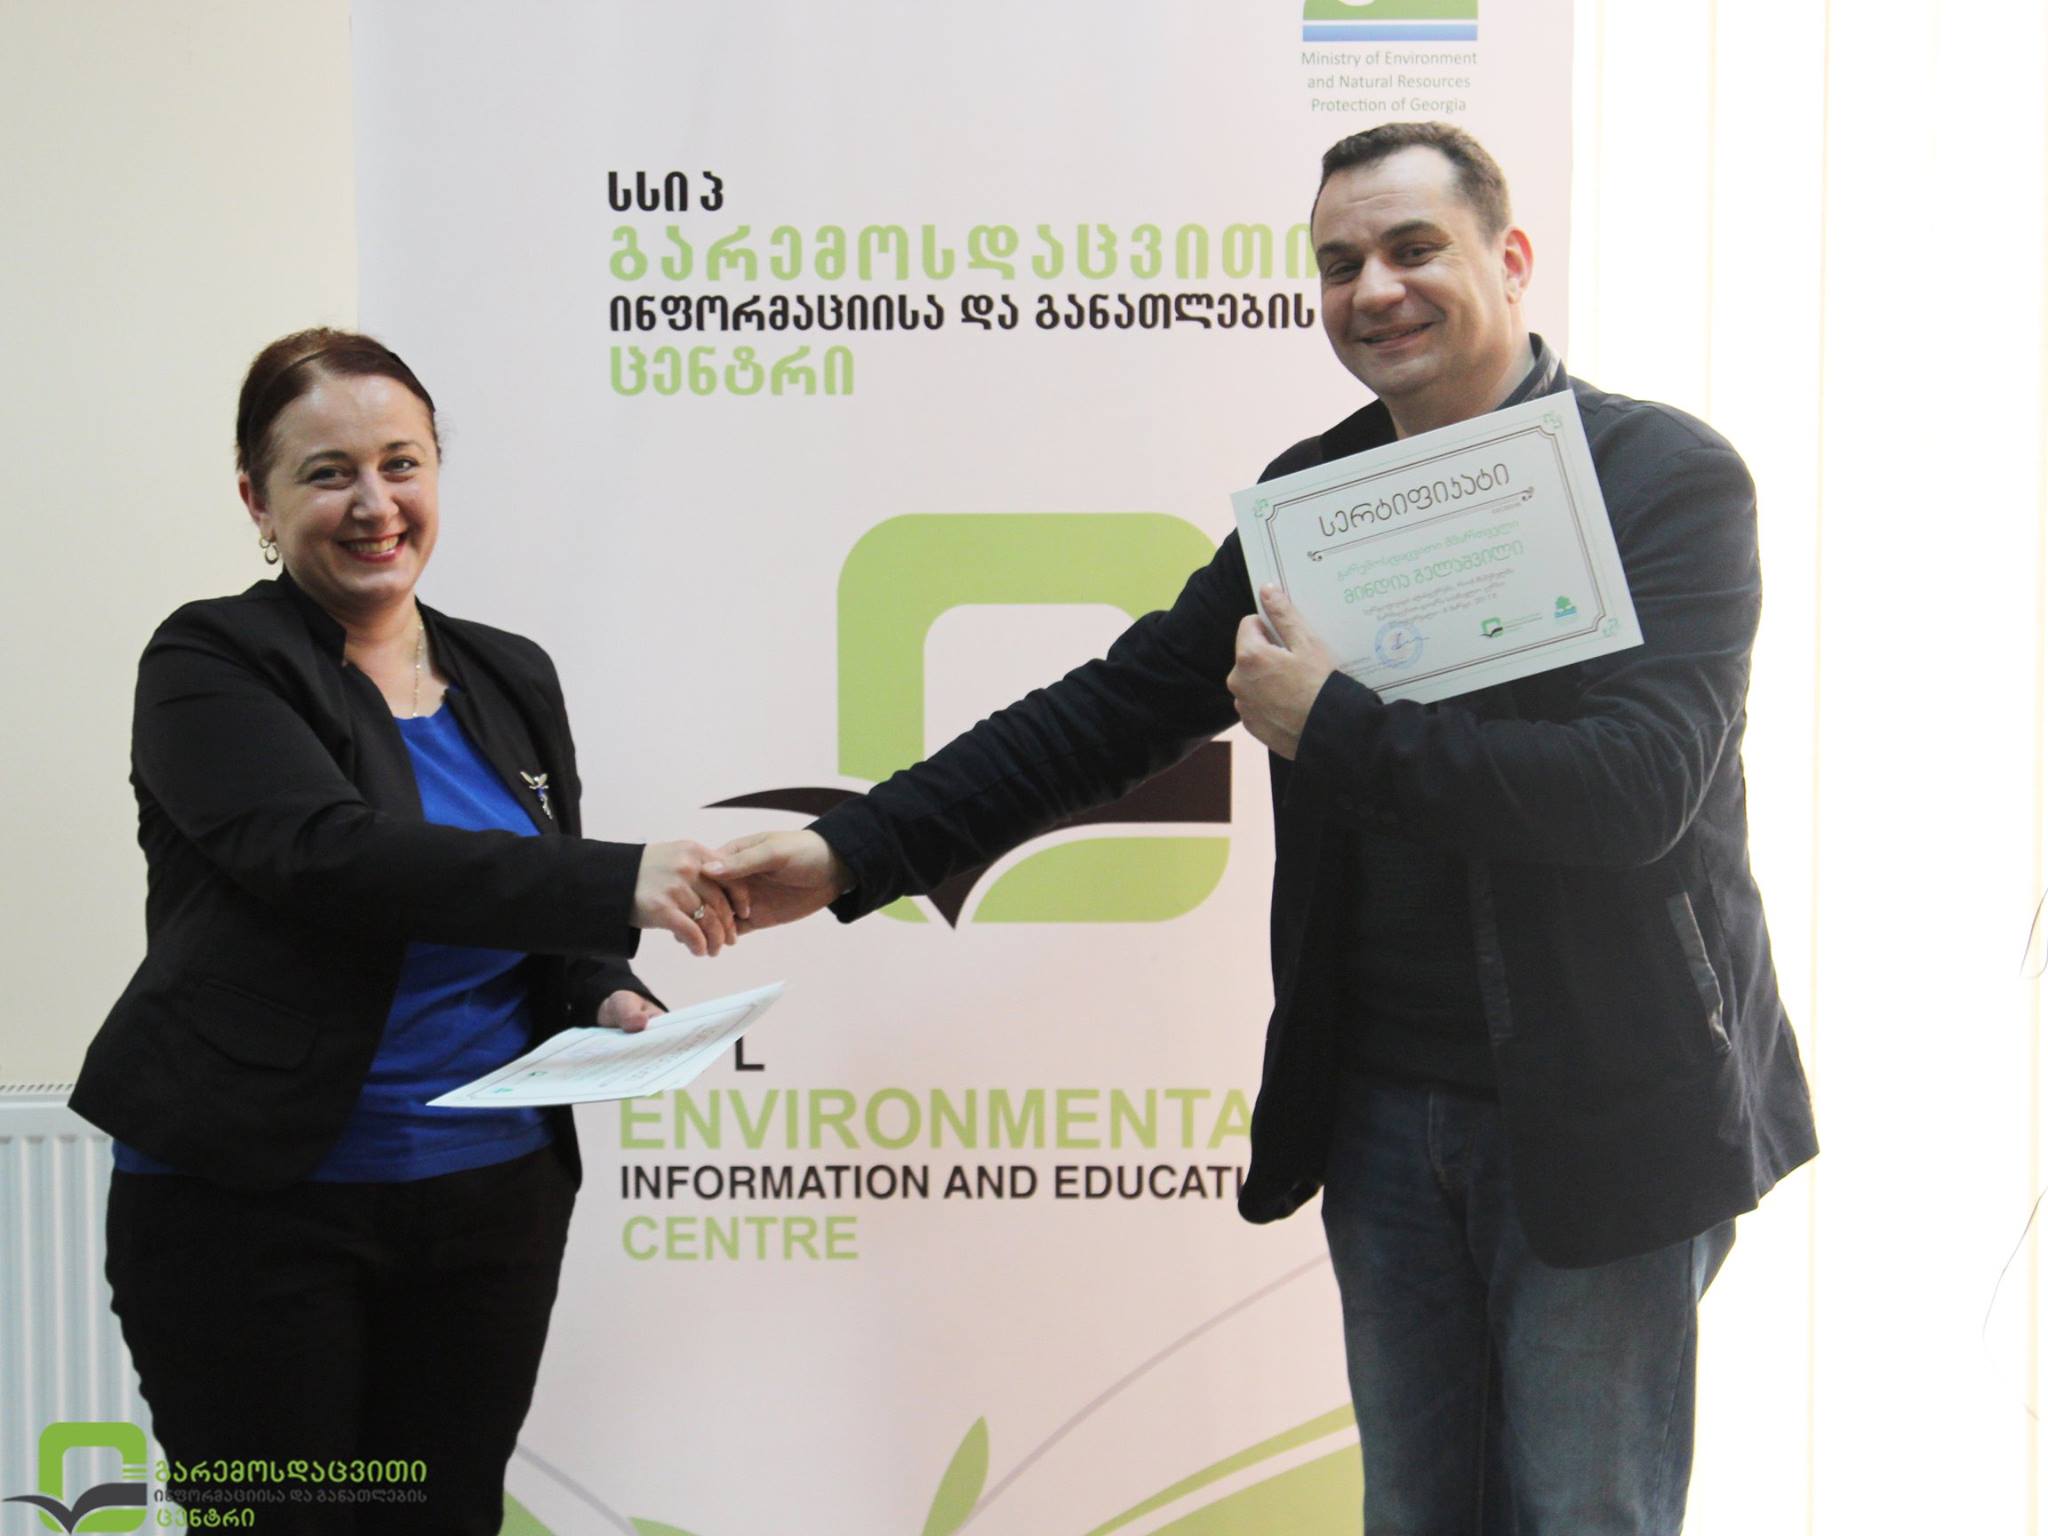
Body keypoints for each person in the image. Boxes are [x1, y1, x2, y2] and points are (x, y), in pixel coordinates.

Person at [711, 123, 1818, 1532]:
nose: (1375, 289)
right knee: (1416, 1514)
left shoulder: (1663, 477)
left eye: (1413, 248)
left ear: (1510, 258)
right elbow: (1112, 710)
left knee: (1584, 1515)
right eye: (1339, 263)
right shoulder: (1314, 504)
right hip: (1384, 1113)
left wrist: (1336, 725)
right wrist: (851, 849)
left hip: (1604, 1109)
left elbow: (1634, 791)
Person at [71, 329, 743, 1534]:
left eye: (401, 463)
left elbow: (537, 899)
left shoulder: (510, 673)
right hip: (254, 1212)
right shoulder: (209, 659)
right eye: (328, 473)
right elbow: (325, 855)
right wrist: (621, 880)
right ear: (257, 500)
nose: (375, 505)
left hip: (488, 1203)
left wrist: (602, 991)